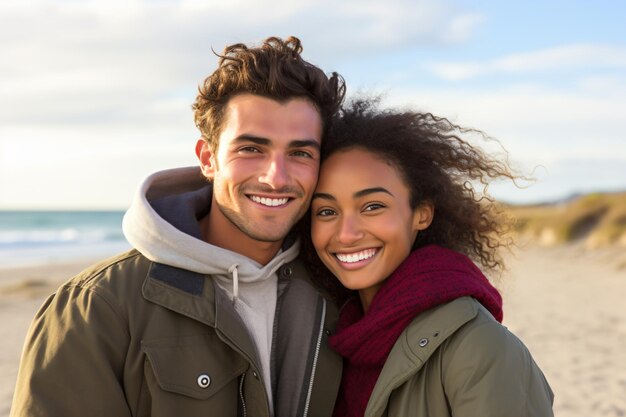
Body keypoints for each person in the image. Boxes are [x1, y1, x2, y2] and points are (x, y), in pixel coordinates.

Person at [11, 36, 346, 417]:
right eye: (251, 149)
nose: (276, 177)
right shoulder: (98, 306)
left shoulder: (338, 292)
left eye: (300, 153)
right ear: (208, 158)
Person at [303, 100, 555, 417]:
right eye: (326, 211)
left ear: (421, 214)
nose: (346, 233)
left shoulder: (480, 347)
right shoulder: (326, 345)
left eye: (372, 206)